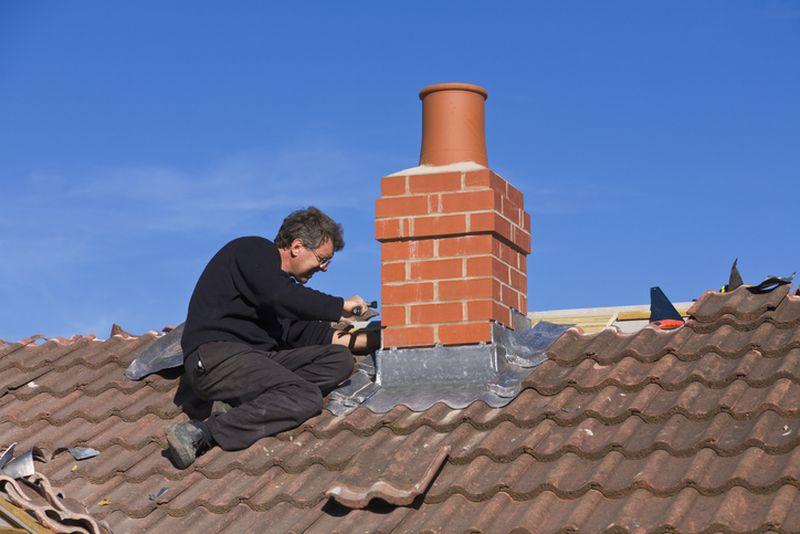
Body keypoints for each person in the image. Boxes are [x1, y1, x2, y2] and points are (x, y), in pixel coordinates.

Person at [165, 207, 378, 469]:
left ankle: (247, 404)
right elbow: (281, 296)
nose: (323, 269)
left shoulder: (276, 291)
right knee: (307, 397)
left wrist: (374, 338)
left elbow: (303, 332)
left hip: (258, 361)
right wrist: (341, 306)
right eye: (322, 259)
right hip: (217, 358)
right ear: (297, 246)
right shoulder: (253, 252)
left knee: (339, 360)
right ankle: (202, 433)